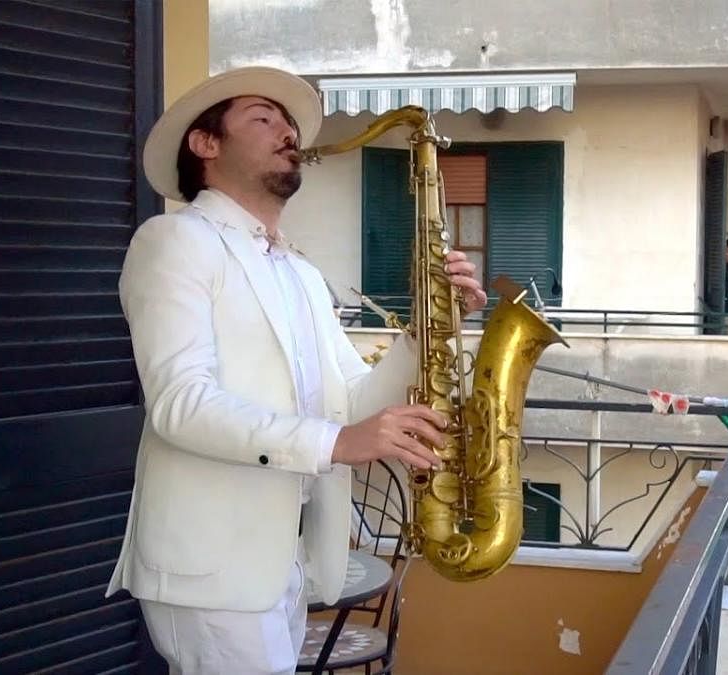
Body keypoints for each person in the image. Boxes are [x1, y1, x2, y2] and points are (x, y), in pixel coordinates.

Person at [104, 66, 488, 674]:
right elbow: (182, 404)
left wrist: (425, 329)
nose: (287, 130)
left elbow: (350, 401)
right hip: (212, 567)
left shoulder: (301, 274)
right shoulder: (173, 240)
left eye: (289, 121)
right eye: (263, 117)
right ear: (205, 145)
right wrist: (337, 441)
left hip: (284, 559)